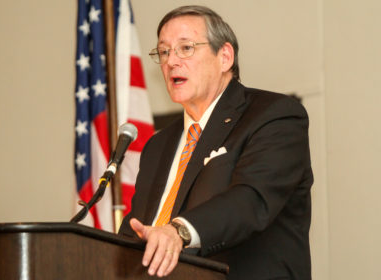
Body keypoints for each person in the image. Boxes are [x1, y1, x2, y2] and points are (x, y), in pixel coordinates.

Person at [119, 5, 313, 280]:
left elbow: (250, 200)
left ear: (224, 57)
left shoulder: (274, 116)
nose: (171, 61)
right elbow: (138, 231)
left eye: (185, 48)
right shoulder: (157, 146)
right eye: (164, 51)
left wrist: (179, 231)